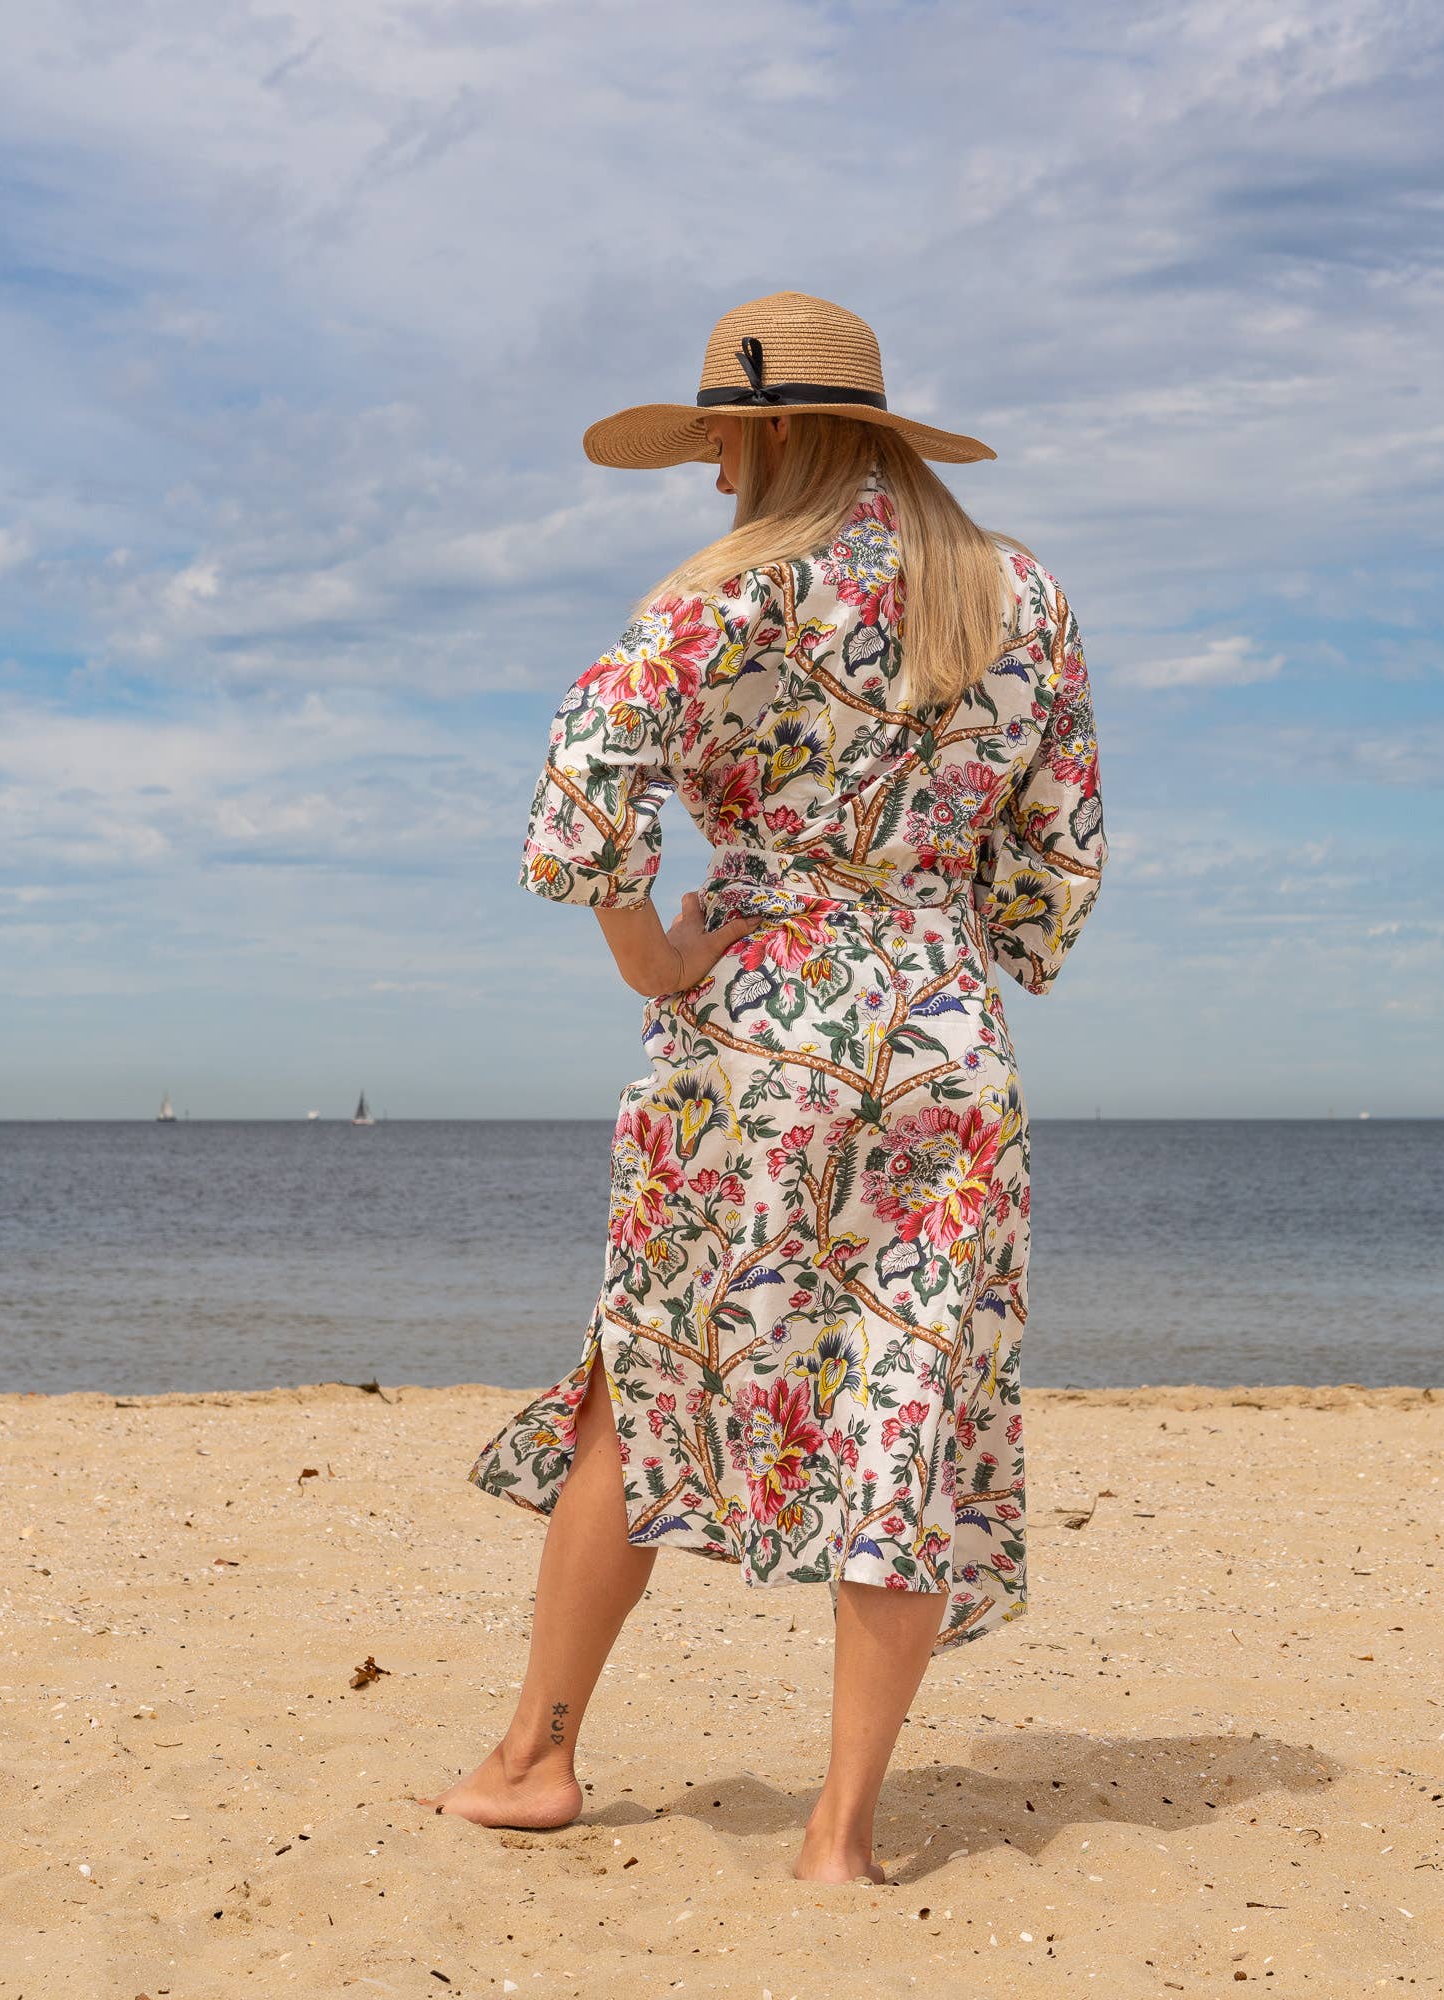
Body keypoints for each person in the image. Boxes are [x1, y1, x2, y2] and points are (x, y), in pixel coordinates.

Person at [420, 291, 1106, 1883]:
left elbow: (590, 764)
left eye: (722, 438)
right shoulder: (1026, 600)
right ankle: (841, 1837)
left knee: (647, 1375)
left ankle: (535, 1757)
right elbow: (1055, 861)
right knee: (910, 1402)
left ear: (778, 428)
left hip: (749, 1035)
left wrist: (653, 956)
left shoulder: (720, 594)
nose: (713, 471)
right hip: (942, 1039)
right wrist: (953, 941)